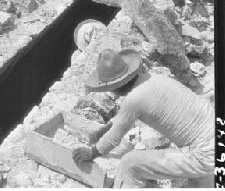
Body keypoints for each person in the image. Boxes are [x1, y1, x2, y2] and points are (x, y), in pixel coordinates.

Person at [72, 49, 214, 188]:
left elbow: (113, 139)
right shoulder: (151, 78)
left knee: (129, 165)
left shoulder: (134, 99)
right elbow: (123, 116)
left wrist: (91, 153)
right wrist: (102, 130)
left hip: (204, 154)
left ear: (114, 87)